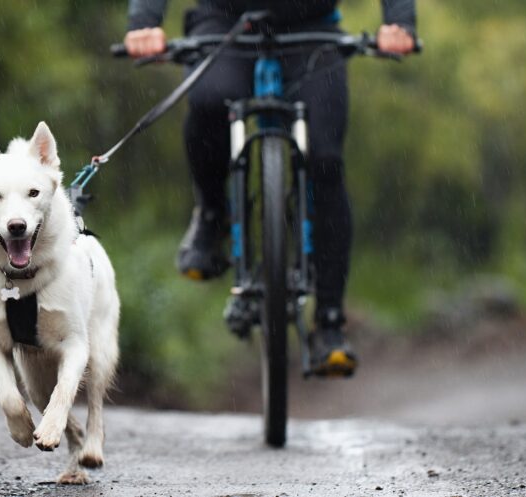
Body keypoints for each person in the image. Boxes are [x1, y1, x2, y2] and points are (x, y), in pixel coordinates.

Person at [123, 0, 416, 376]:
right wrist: (144, 23)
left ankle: (329, 323)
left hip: (313, 28)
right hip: (225, 21)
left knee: (326, 160)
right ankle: (212, 217)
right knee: (210, 101)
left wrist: (399, 23)